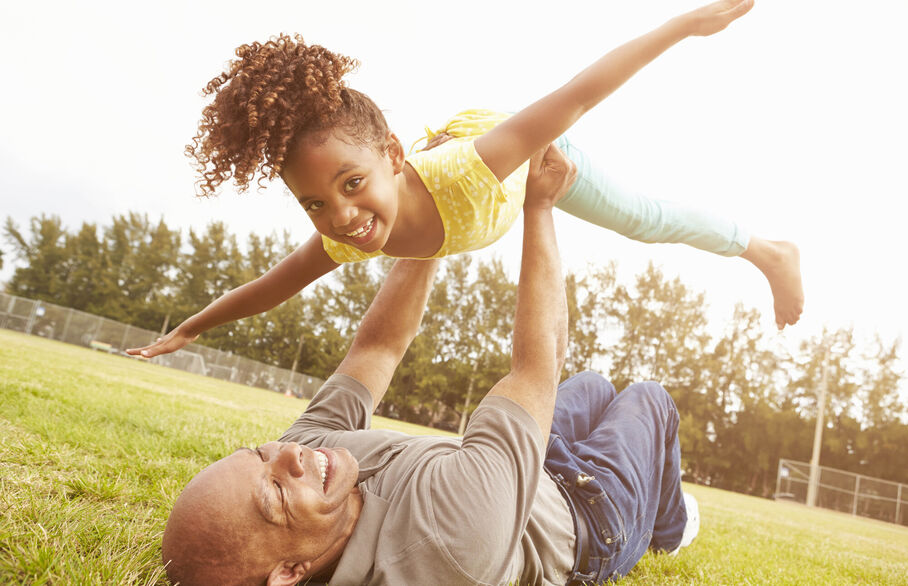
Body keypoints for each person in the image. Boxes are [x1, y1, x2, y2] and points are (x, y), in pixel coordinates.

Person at [128, 0, 803, 361]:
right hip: (438, 167)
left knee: (643, 220)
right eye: (315, 204)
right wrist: (187, 329)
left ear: (390, 155)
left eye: (352, 184)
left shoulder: (475, 167)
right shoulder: (343, 235)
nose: (339, 216)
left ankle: (768, 250)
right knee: (403, 250)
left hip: (521, 151)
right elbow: (270, 287)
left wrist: (684, 24)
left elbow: (575, 94)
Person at [161, 143, 698, 585]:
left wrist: (432, 219)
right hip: (585, 517)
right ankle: (669, 530)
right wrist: (539, 207)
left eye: (258, 453)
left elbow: (377, 349)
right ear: (291, 571)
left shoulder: (306, 459)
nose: (286, 456)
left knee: (596, 385)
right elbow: (537, 369)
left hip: (528, 470)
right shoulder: (445, 545)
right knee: (648, 400)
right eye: (275, 493)